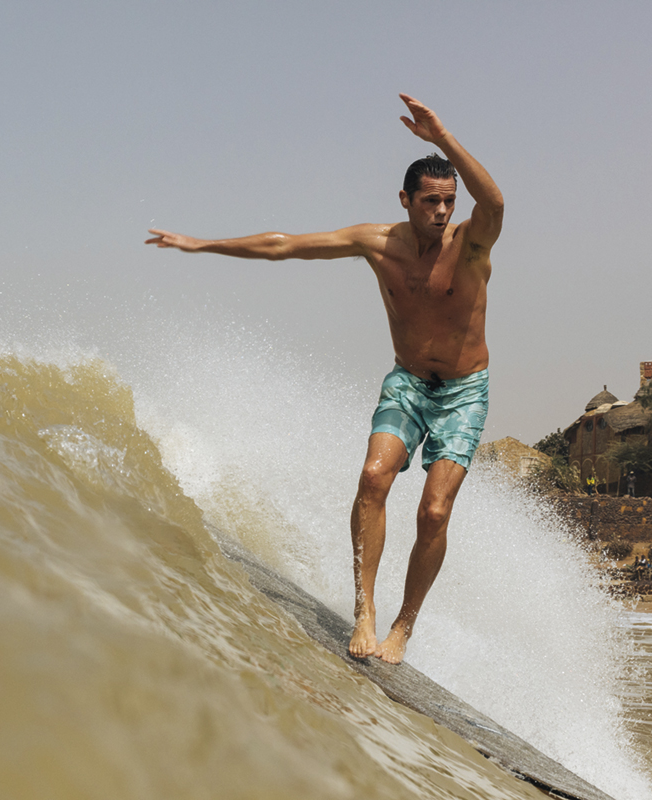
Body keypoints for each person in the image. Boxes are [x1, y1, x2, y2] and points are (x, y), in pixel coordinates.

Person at [146, 94, 504, 664]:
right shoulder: (377, 243)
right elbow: (284, 246)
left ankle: (404, 626)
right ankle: (364, 610)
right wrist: (201, 243)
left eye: (448, 201)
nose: (441, 212)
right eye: (431, 201)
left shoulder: (472, 242)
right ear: (406, 201)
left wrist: (441, 138)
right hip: (409, 383)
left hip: (463, 392)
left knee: (434, 511)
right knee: (373, 477)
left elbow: (496, 200)